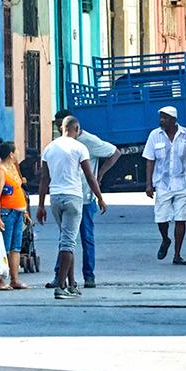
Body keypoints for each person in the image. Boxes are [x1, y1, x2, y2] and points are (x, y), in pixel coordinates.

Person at [36, 115, 108, 299]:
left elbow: (44, 179)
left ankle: (72, 284)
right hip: (74, 198)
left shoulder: (49, 148)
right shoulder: (79, 147)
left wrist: (41, 205)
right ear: (76, 129)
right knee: (68, 243)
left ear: (61, 128)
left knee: (67, 240)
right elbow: (90, 176)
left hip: (56, 198)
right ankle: (61, 287)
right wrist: (99, 197)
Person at [143, 104, 186, 265]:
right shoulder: (154, 135)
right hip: (163, 184)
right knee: (161, 218)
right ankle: (166, 239)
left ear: (173, 120)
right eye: (161, 117)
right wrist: (148, 184)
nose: (161, 120)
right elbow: (150, 160)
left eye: (165, 118)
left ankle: (177, 255)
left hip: (182, 183)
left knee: (181, 219)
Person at [72, 121, 119, 288]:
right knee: (66, 240)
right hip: (69, 196)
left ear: (75, 128)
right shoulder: (63, 145)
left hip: (85, 196)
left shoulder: (88, 141)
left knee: (86, 238)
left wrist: (100, 176)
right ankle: (61, 276)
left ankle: (89, 276)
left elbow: (115, 152)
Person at [0, 140, 30, 291]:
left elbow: (19, 189)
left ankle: (15, 279)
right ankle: (0, 281)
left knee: (15, 247)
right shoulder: (0, 171)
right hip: (6, 212)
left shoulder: (12, 167)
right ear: (11, 154)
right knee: (4, 247)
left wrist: (24, 211)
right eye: (16, 151)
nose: (18, 153)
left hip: (17, 212)